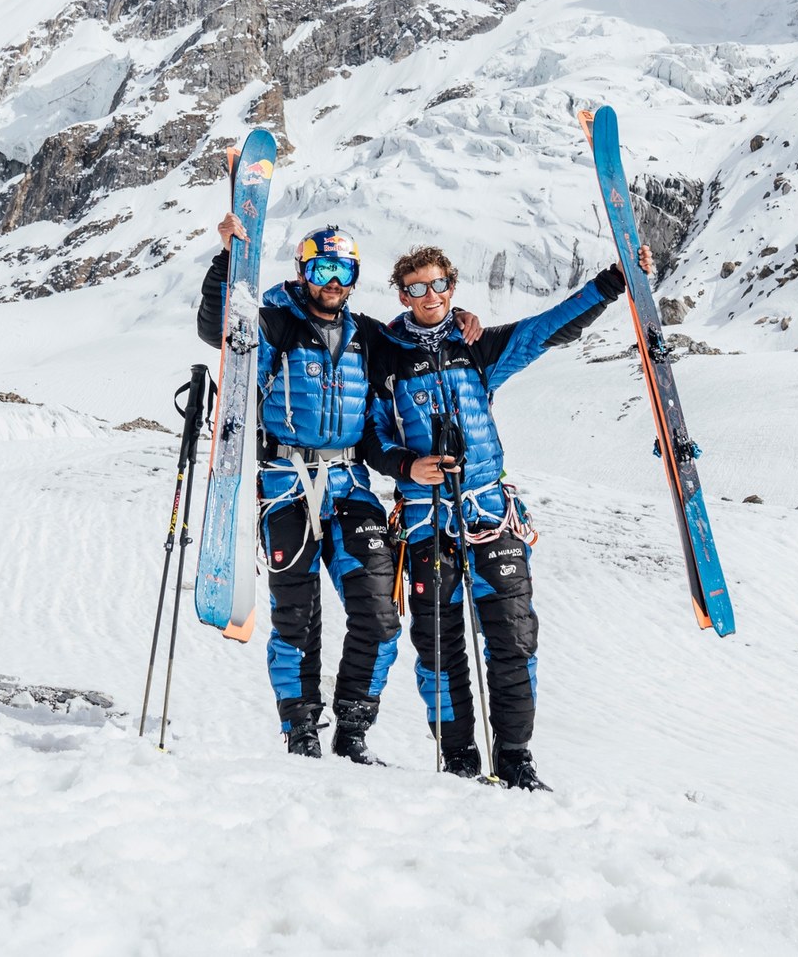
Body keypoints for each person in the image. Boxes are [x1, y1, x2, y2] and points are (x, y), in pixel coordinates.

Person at [363, 242, 653, 791]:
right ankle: (459, 761)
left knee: (514, 638)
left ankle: (516, 758)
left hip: (490, 513)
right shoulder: (384, 354)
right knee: (439, 645)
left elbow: (547, 329)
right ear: (403, 294)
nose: (432, 296)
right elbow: (370, 437)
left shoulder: (478, 346)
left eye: (441, 285)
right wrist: (406, 463)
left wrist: (613, 283)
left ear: (453, 286)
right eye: (418, 288)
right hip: (425, 521)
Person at [197, 217, 481, 765]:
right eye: (323, 268)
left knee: (379, 615)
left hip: (351, 486)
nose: (333, 279)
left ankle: (352, 732)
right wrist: (226, 257)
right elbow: (218, 330)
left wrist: (461, 320)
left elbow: (418, 332)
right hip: (286, 485)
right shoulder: (276, 324)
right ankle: (301, 729)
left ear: (353, 277)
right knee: (296, 615)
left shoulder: (366, 334)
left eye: (343, 269)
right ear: (304, 271)